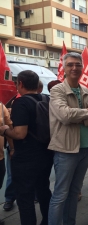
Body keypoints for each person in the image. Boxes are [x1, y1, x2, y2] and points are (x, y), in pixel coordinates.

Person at [48, 52, 88, 225]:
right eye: (70, 64)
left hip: (86, 149)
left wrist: (83, 115)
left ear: (82, 67)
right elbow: (64, 115)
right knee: (60, 194)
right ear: (64, 66)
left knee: (75, 192)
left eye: (78, 64)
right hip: (65, 150)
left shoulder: (86, 91)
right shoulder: (57, 90)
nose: (74, 68)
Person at [0, 70, 53, 225]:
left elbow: (20, 133)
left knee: (25, 197)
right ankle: (48, 221)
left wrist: (4, 130)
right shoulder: (46, 98)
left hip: (26, 159)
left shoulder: (21, 102)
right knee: (44, 191)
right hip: (46, 154)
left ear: (20, 84)